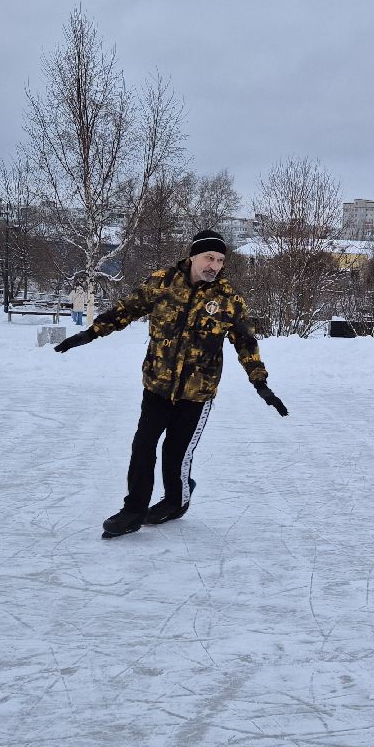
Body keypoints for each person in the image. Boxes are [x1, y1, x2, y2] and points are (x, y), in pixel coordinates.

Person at [54, 230, 287, 537]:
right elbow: (126, 310)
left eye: (219, 260)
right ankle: (133, 510)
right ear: (192, 256)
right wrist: (91, 333)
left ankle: (175, 501)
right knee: (143, 446)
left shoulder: (229, 299)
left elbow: (246, 343)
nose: (214, 265)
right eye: (208, 257)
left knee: (175, 453)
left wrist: (261, 383)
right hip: (157, 386)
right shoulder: (162, 282)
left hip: (196, 394)